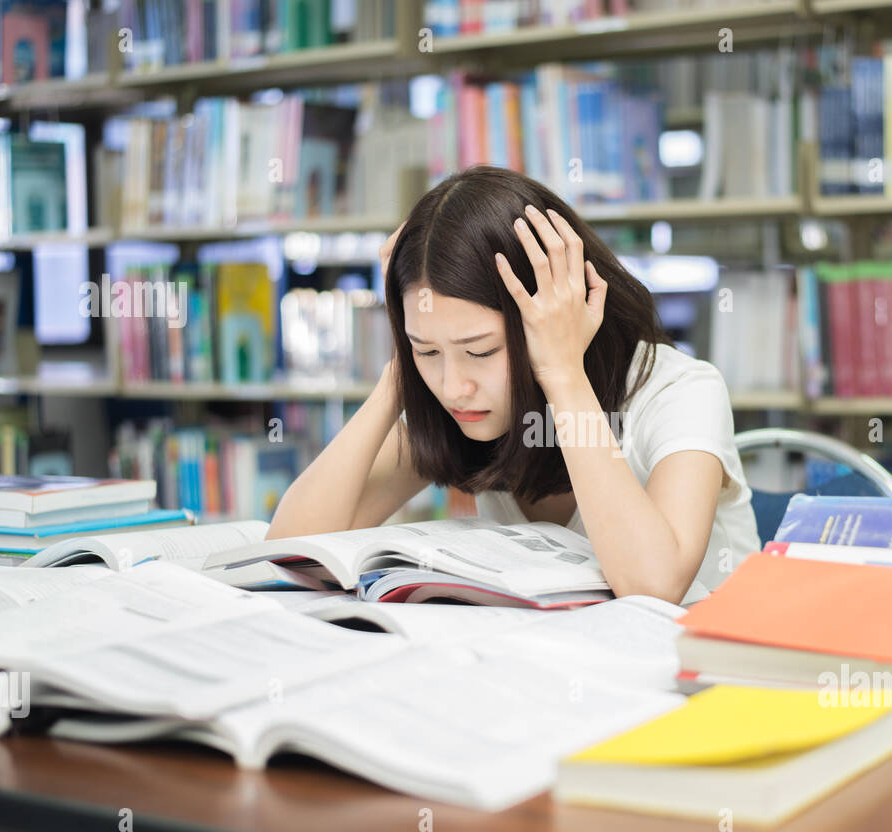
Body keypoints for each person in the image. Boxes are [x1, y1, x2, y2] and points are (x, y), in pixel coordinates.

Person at [268, 165, 760, 604]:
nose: (454, 386)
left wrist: (562, 371)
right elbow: (288, 550)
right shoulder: (457, 400)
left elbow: (654, 585)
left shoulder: (680, 390)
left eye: (481, 351)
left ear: (556, 313)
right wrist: (398, 376)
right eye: (428, 351)